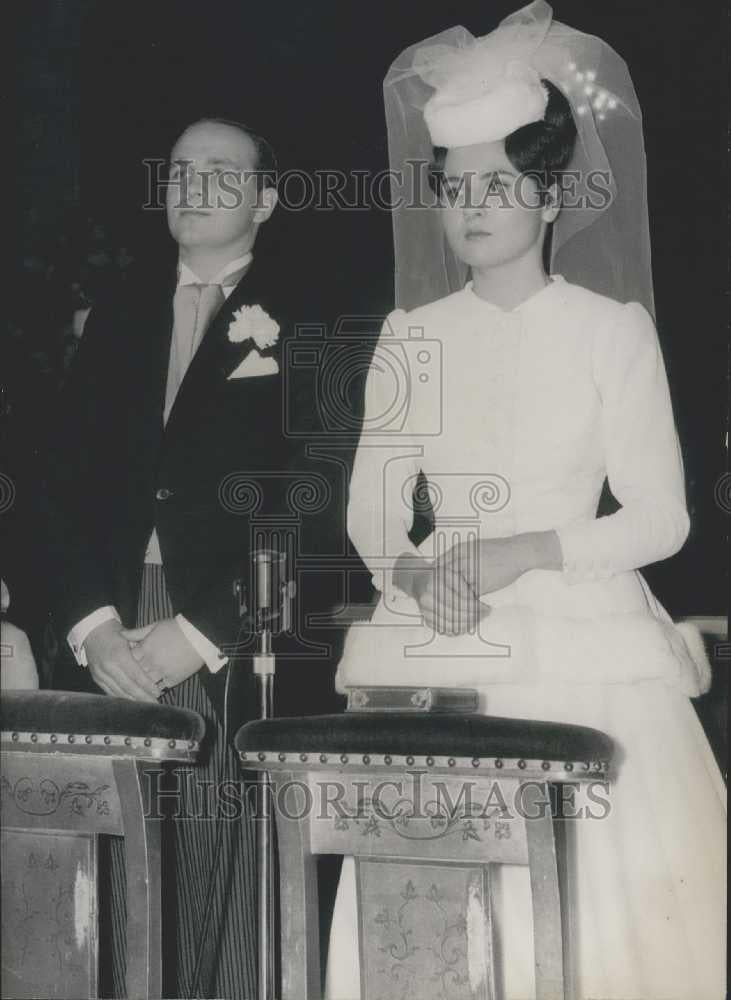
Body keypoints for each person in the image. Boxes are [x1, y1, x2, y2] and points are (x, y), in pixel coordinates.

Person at [327, 4, 726, 998]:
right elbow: (371, 507)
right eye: (456, 188)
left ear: (549, 197)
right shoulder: (410, 333)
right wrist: (413, 573)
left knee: (599, 928)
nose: (473, 206)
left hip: (583, 641)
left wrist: (523, 552)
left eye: (500, 184)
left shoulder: (608, 329)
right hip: (437, 637)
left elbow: (659, 516)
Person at [45, 117, 308, 998]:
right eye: (181, 169)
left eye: (220, 171)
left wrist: (201, 632)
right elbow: (59, 479)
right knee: (105, 884)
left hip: (229, 630)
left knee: (216, 884)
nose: (191, 184)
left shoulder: (319, 312)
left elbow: (319, 495)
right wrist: (91, 624)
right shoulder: (114, 314)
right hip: (110, 629)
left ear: (265, 200)